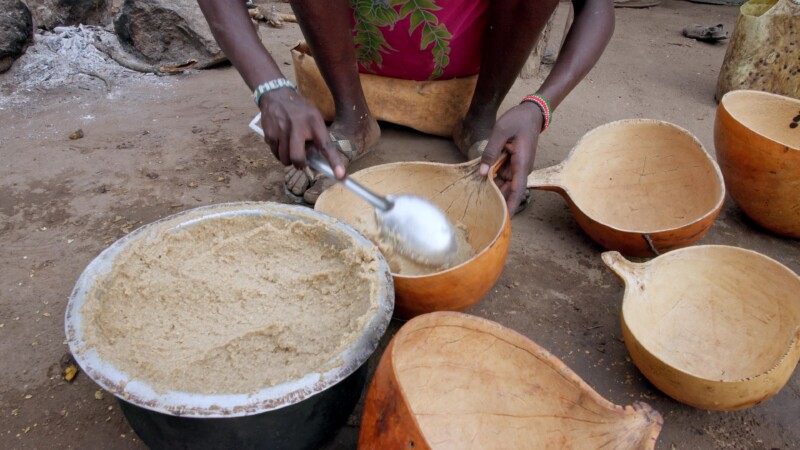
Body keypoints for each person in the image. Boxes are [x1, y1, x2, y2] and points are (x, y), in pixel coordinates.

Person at [197, 0, 614, 214]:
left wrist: (539, 106)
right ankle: (353, 117)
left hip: (464, 60)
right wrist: (271, 89)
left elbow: (597, 7)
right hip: (349, 53)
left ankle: (480, 118)